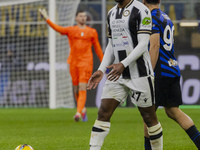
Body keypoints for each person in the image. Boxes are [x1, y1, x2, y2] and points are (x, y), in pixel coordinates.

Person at [87, 0, 163, 149]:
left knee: (149, 117)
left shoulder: (141, 10)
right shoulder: (111, 13)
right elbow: (111, 45)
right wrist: (101, 70)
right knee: (103, 112)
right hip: (117, 74)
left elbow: (143, 44)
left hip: (140, 74)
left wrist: (123, 63)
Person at [143, 0, 200, 149]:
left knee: (148, 114)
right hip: (172, 69)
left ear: (143, 1)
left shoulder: (151, 18)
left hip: (160, 71)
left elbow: (154, 46)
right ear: (159, 1)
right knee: (173, 111)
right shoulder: (166, 17)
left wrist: (149, 72)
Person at [39, 9, 104, 122]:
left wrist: (103, 62)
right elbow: (58, 28)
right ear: (76, 18)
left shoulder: (92, 32)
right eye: (80, 16)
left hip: (86, 63)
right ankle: (82, 109)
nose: (83, 18)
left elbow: (97, 48)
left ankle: (78, 113)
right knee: (76, 89)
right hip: (73, 62)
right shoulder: (71, 30)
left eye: (84, 16)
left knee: (83, 87)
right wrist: (47, 19)